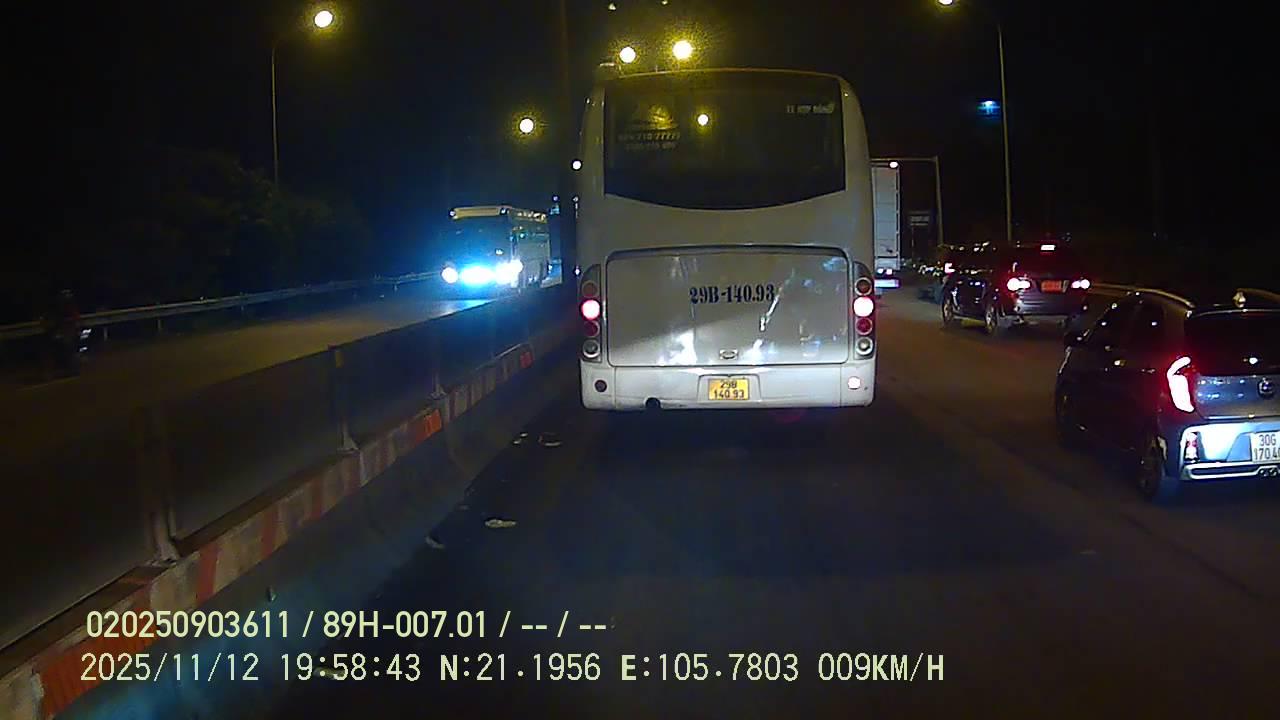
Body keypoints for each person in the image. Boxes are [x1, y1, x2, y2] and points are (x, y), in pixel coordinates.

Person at [38, 289, 82, 378]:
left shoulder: (71, 309)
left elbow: (75, 321)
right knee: (50, 349)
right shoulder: (56, 309)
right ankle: (55, 369)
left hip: (68, 333)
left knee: (70, 348)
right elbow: (49, 321)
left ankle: (72, 368)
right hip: (59, 332)